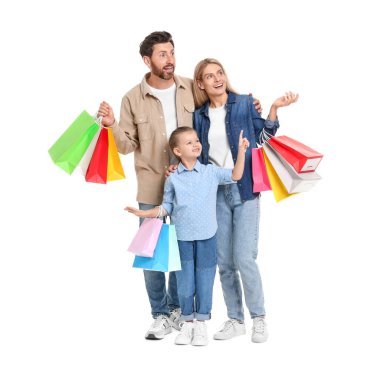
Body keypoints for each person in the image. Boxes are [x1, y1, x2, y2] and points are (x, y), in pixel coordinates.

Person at [97, 32, 262, 340]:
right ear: (147, 60)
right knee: (152, 253)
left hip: (194, 189)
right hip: (151, 186)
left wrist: (248, 106)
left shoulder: (190, 87)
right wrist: (111, 125)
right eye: (162, 54)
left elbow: (218, 108)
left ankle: (179, 311)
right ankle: (159, 314)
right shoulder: (132, 98)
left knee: (184, 252)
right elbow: (124, 145)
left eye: (171, 53)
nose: (169, 59)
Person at [192, 58, 299, 343]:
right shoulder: (198, 116)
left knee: (244, 258)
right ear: (200, 84)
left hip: (246, 189)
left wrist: (274, 109)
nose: (217, 79)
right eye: (209, 76)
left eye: (220, 73)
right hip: (216, 193)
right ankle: (235, 319)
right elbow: (199, 158)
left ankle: (259, 318)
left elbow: (263, 137)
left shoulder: (243, 104)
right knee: (224, 261)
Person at [126, 126, 249, 346]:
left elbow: (235, 175)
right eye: (189, 142)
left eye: (196, 140)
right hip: (182, 239)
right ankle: (187, 322)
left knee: (204, 280)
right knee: (184, 283)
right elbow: (166, 207)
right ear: (178, 151)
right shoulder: (173, 178)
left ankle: (201, 323)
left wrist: (241, 152)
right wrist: (144, 213)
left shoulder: (210, 172)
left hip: (207, 239)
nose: (196, 144)